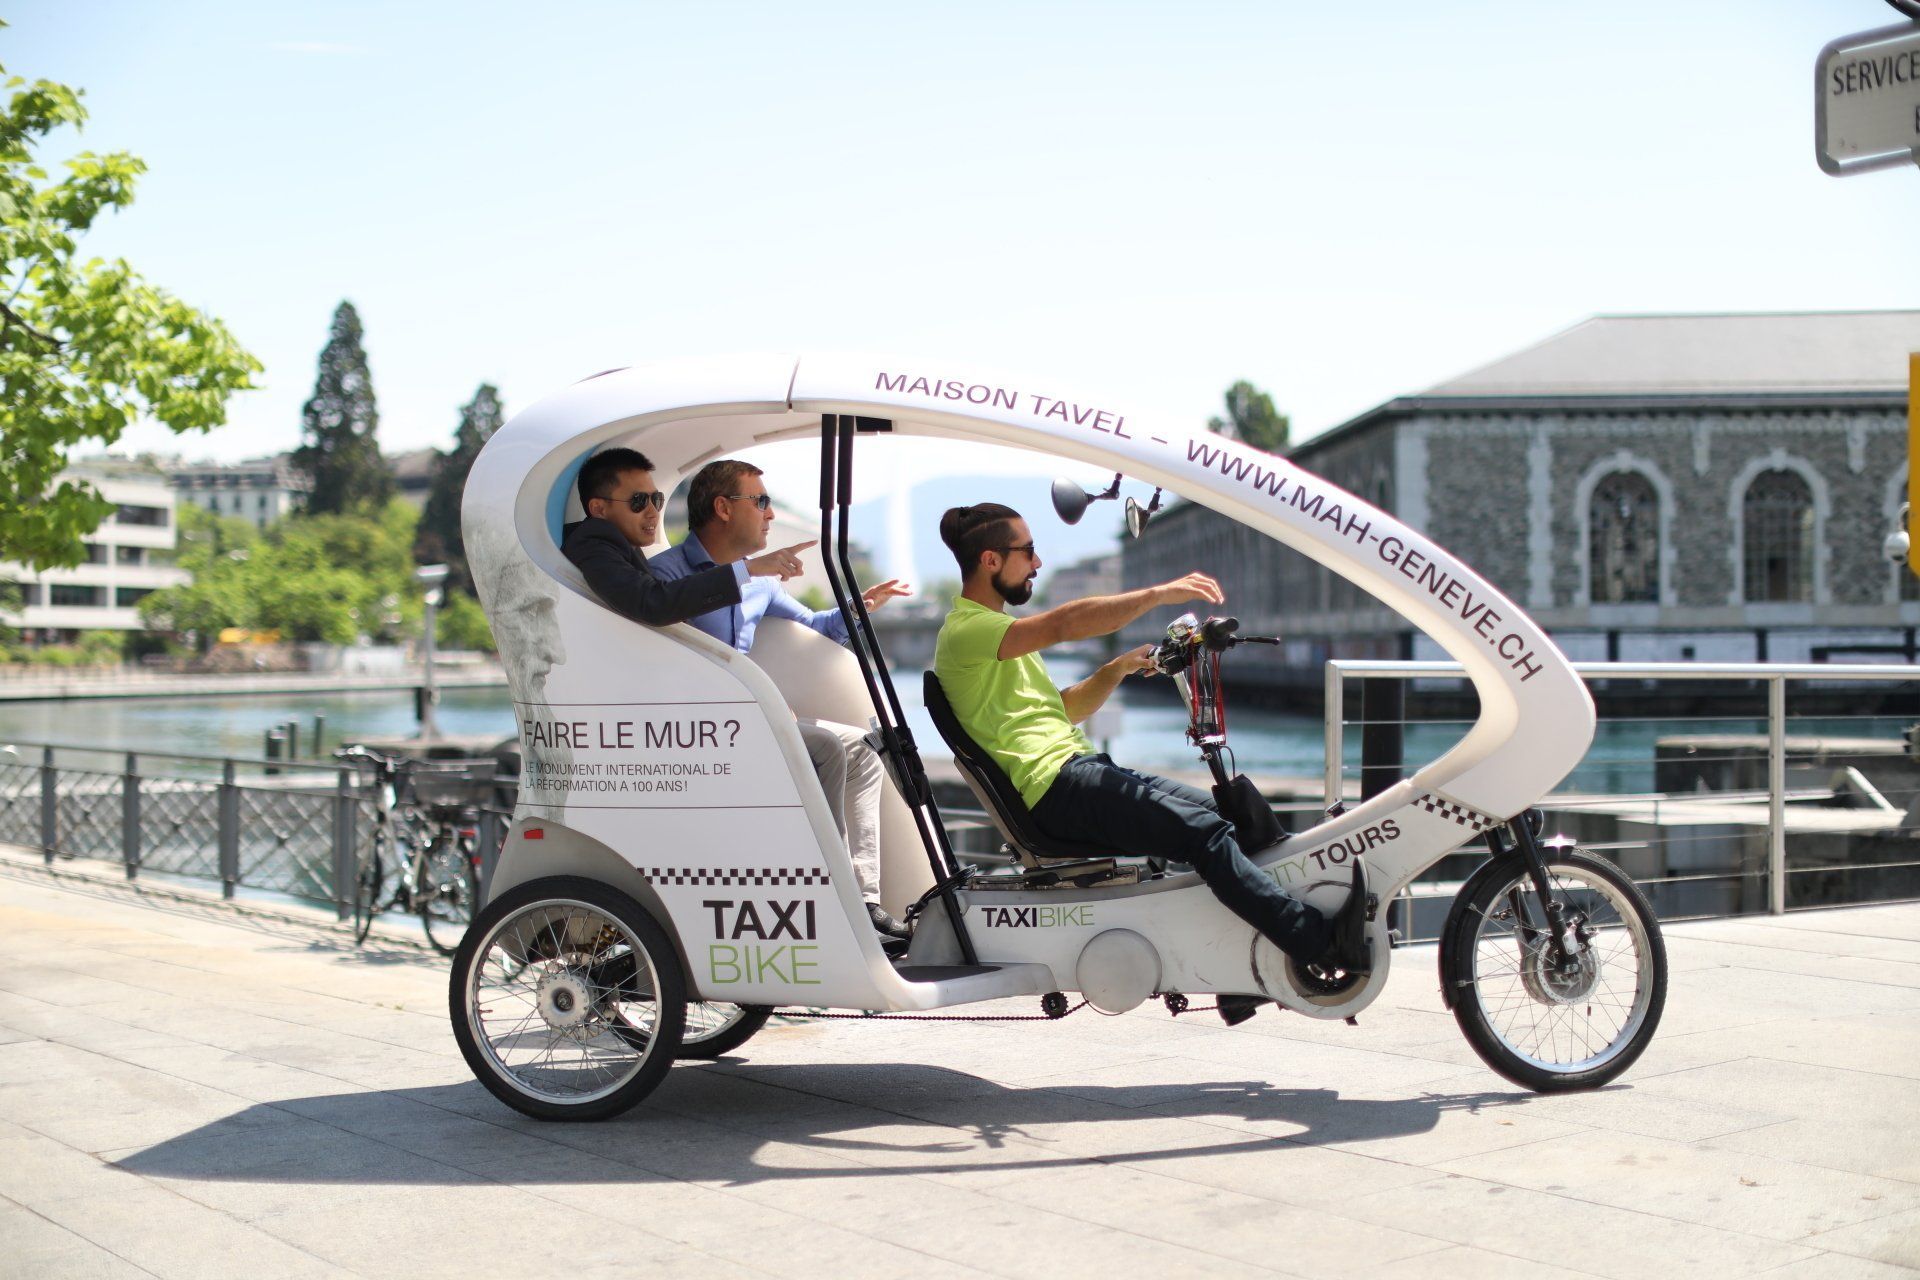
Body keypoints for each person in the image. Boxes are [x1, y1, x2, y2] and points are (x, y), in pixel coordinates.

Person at [932, 502, 1369, 1025]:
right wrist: (1160, 594)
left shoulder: (999, 633)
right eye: (1027, 552)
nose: (1037, 563)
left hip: (1075, 771)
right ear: (990, 561)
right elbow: (1070, 622)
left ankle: (1241, 979)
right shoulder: (969, 631)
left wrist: (1116, 669)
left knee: (1225, 820)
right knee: (1204, 834)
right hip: (1055, 787)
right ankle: (1318, 942)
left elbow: (1063, 709)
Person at [653, 458, 914, 943]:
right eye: (762, 501)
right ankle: (835, 901)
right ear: (723, 508)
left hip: (751, 723)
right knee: (829, 748)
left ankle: (863, 901)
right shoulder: (665, 574)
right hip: (694, 732)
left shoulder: (761, 583)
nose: (770, 515)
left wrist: (862, 605)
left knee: (862, 749)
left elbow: (816, 628)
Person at [559, 447, 812, 623]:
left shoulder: (618, 544)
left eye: (656, 499)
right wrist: (748, 569)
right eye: (638, 501)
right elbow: (652, 602)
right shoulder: (593, 543)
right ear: (599, 509)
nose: (652, 512)